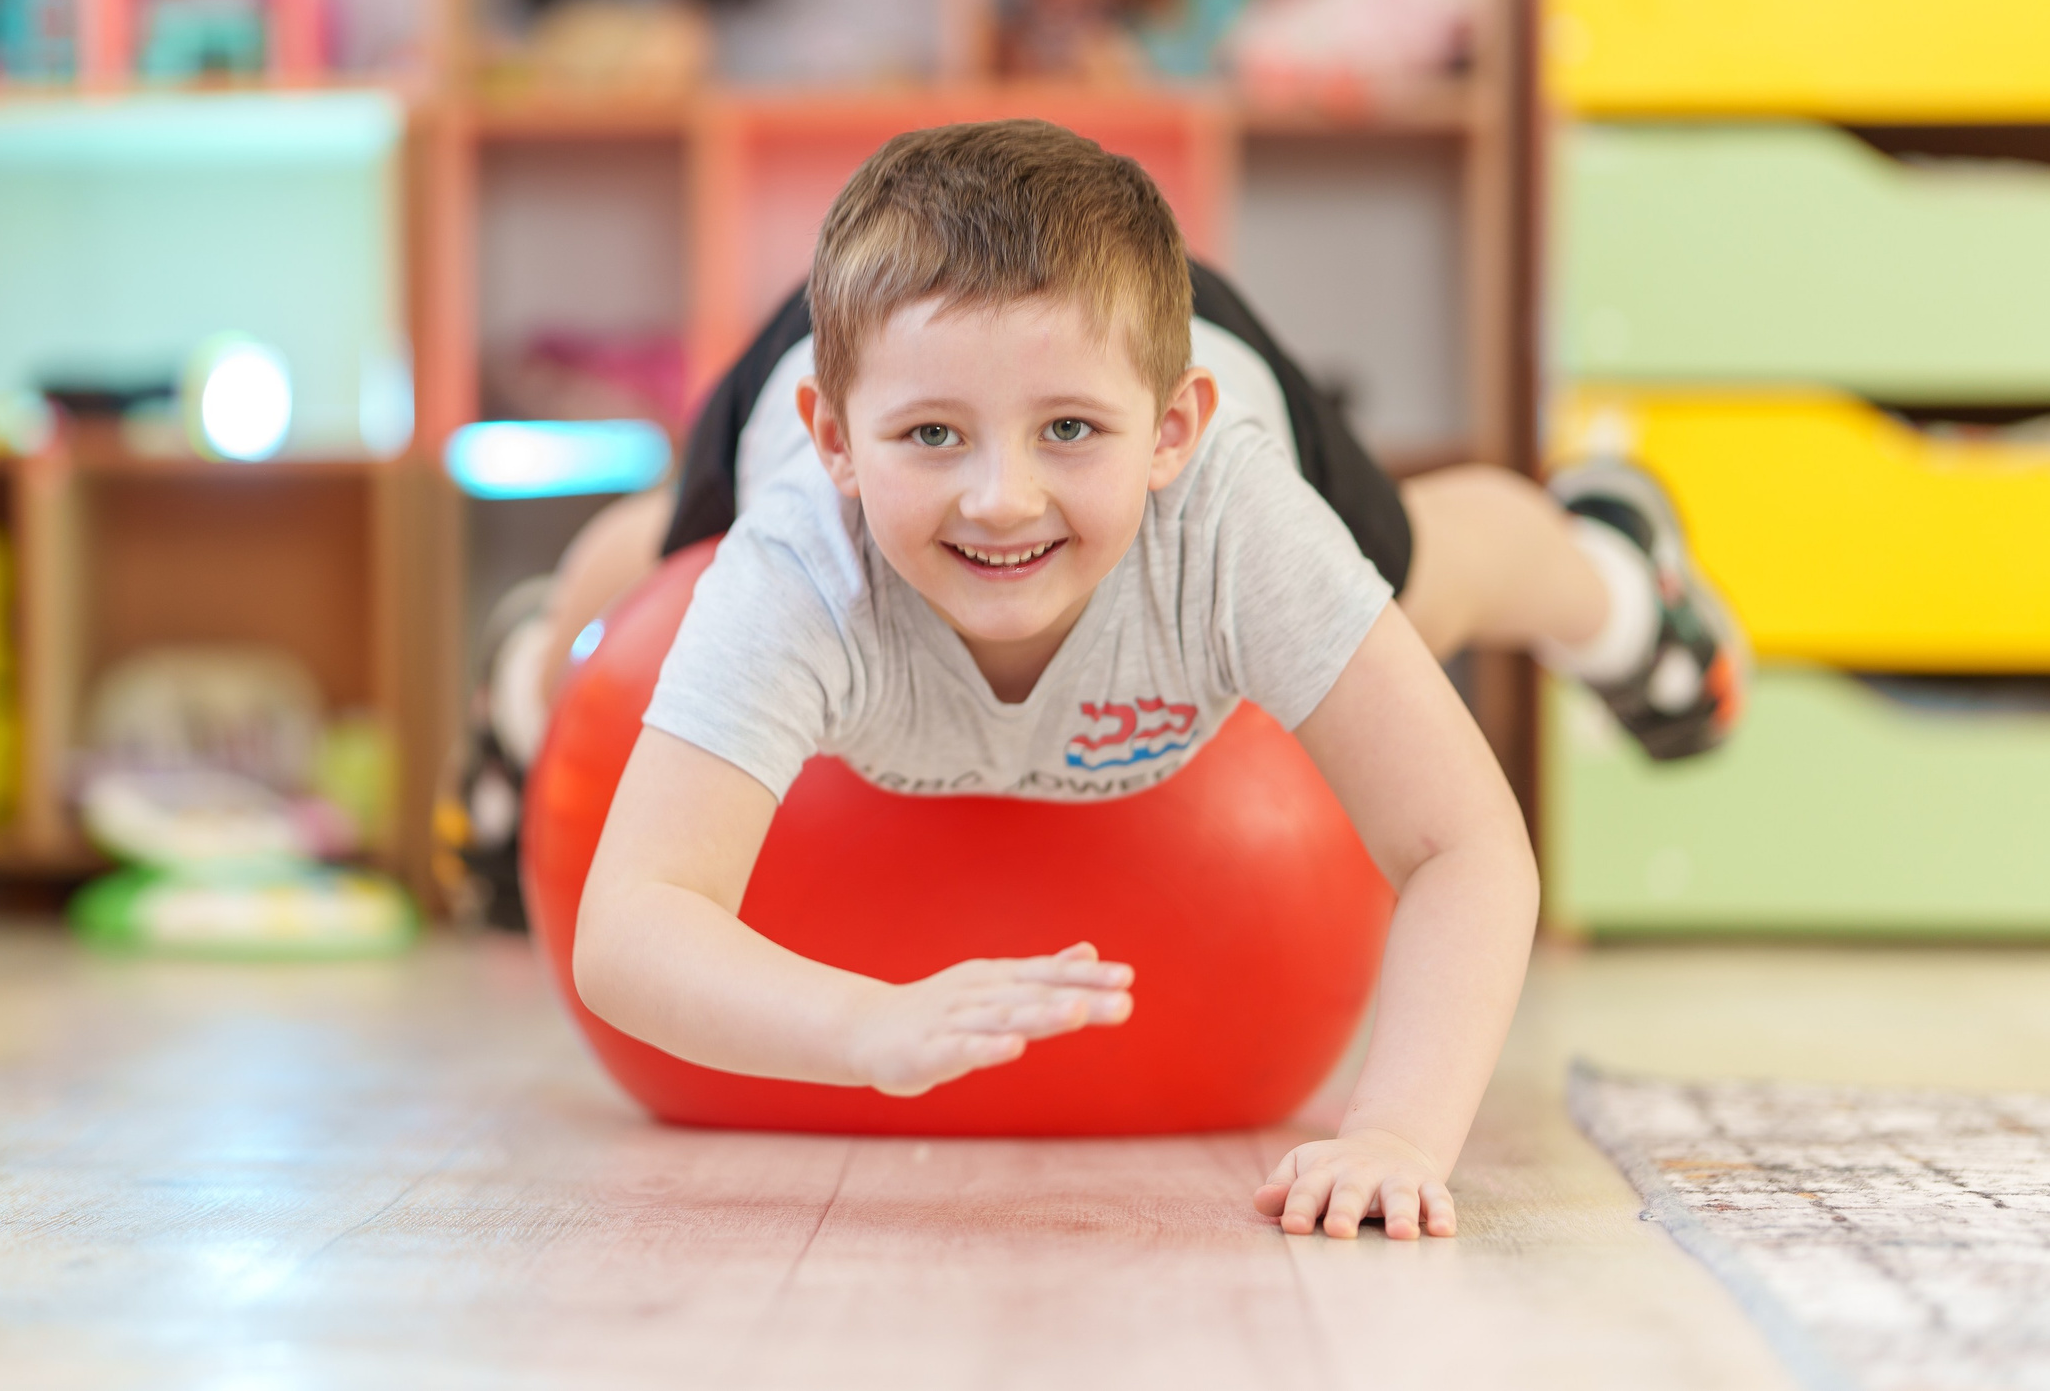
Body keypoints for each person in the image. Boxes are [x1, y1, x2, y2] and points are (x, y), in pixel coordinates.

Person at [559, 121, 1744, 1239]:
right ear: (836, 447)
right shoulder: (796, 557)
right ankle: (521, 681)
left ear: (1172, 433)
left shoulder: (1231, 524)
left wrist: (1394, 1135)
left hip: (1169, 338)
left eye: (1066, 432)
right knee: (655, 575)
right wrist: (864, 1021)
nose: (1001, 499)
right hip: (828, 351)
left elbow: (1464, 848)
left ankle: (1624, 591)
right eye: (932, 439)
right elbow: (630, 926)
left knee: (1426, 585)